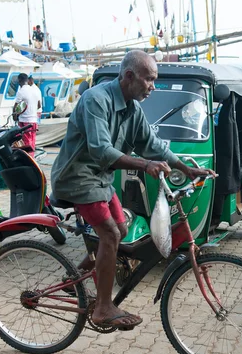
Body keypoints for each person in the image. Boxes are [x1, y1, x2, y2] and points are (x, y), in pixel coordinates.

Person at [51, 49, 213, 330]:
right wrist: (145, 165)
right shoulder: (95, 100)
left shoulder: (132, 108)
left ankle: (73, 278)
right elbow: (101, 150)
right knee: (111, 235)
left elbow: (153, 144)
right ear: (129, 76)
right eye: (149, 80)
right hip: (77, 179)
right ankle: (102, 308)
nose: (152, 86)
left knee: (122, 229)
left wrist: (186, 169)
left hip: (100, 179)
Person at [13, 73, 40, 156]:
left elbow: (16, 107)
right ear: (27, 80)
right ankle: (32, 159)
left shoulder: (21, 91)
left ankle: (28, 161)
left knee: (25, 143)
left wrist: (15, 116)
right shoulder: (35, 90)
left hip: (24, 121)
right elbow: (39, 105)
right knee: (32, 143)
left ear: (19, 80)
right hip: (34, 121)